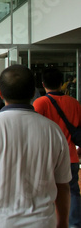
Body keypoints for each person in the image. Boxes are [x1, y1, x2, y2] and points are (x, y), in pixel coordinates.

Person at [0, 65, 71, 228]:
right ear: (33, 94)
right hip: (42, 222)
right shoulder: (53, 130)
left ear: (1, 94)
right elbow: (63, 185)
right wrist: (63, 223)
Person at [34, 67, 81, 228]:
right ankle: (73, 224)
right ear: (61, 84)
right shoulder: (74, 103)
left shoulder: (40, 103)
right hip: (70, 155)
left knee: (44, 191)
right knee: (72, 192)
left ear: (43, 84)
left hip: (48, 156)